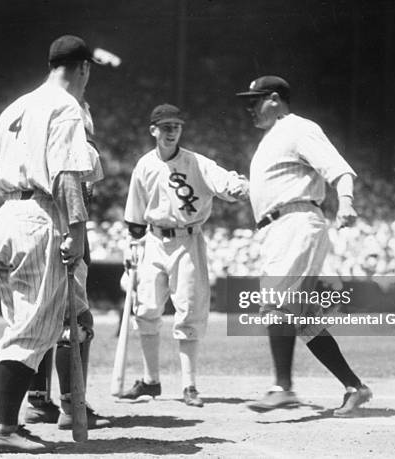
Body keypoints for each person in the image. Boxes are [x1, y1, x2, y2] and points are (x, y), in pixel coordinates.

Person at [0, 34, 99, 453]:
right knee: (33, 331)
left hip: (6, 215)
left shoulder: (16, 105)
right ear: (82, 67)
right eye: (88, 72)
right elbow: (67, 175)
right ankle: (3, 429)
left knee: (19, 326)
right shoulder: (65, 106)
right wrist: (77, 232)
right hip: (39, 216)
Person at [235, 76, 372, 416]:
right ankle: (355, 387)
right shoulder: (271, 139)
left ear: (276, 99)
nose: (249, 107)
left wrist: (346, 202)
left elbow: (338, 168)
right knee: (305, 320)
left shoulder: (298, 128)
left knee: (275, 306)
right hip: (277, 228)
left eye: (256, 100)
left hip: (295, 222)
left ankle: (283, 387)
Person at [120, 103, 249, 407]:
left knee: (188, 311)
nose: (171, 132)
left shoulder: (196, 163)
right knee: (146, 310)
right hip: (153, 240)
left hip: (188, 241)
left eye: (176, 127)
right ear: (153, 130)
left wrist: (239, 185)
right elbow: (135, 218)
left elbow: (224, 182)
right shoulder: (144, 166)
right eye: (165, 127)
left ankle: (189, 386)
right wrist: (132, 253)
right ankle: (151, 381)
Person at [22, 99, 110, 430]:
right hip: (66, 235)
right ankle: (73, 408)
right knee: (77, 321)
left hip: (33, 231)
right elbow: (78, 198)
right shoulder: (79, 147)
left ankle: (38, 401)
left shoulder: (34, 147)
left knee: (42, 318)